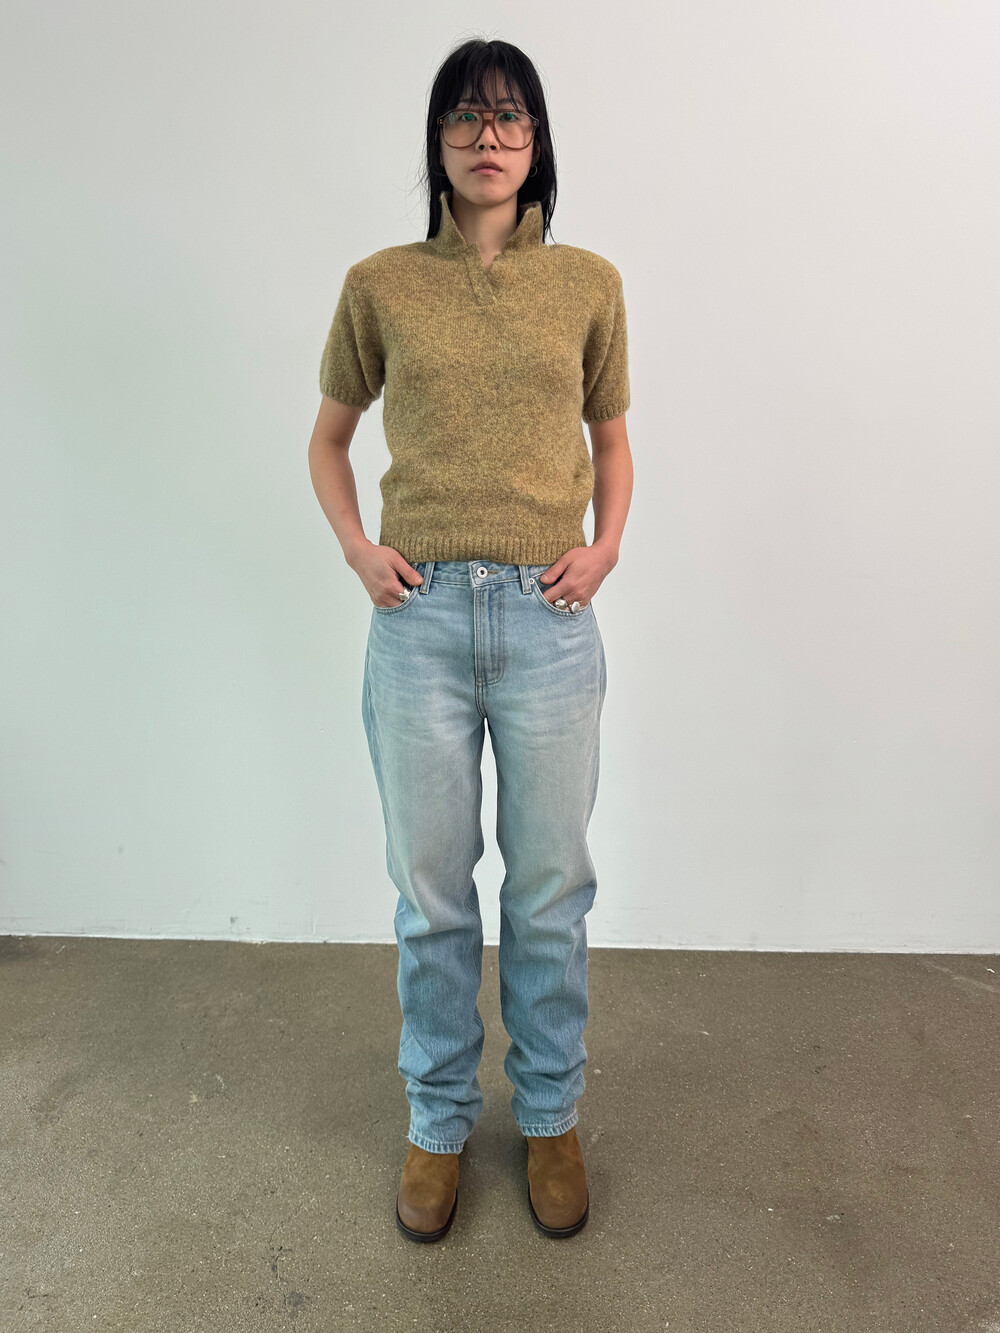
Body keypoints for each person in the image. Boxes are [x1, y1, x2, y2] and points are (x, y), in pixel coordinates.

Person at [308, 37, 633, 1243]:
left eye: (508, 119)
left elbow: (611, 440)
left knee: (547, 889)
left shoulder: (588, 283)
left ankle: (548, 1116)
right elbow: (328, 439)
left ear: (536, 141)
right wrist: (359, 549)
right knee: (433, 893)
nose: (486, 139)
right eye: (464, 117)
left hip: (549, 618)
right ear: (436, 140)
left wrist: (605, 546)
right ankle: (437, 1122)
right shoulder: (381, 284)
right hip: (421, 620)